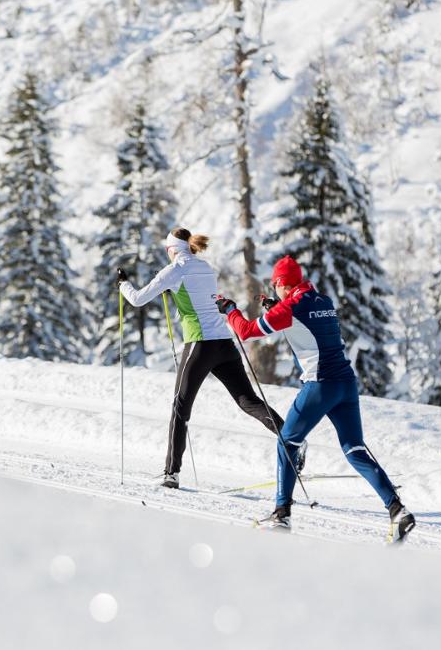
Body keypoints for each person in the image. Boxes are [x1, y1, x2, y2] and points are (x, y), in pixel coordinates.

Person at [215, 255, 416, 542]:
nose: (274, 291)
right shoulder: (323, 301)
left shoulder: (290, 307)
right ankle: (398, 511)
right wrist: (276, 308)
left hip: (320, 385)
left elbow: (246, 332)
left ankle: (281, 514)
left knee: (287, 442)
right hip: (346, 384)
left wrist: (230, 309)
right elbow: (307, 325)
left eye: (275, 286)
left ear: (282, 283)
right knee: (354, 449)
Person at [117, 228, 299, 489]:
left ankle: (171, 473)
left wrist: (123, 284)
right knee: (248, 401)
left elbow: (137, 299)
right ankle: (291, 438)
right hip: (224, 344)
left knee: (180, 407)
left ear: (171, 249)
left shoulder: (174, 269)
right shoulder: (205, 267)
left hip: (199, 345)